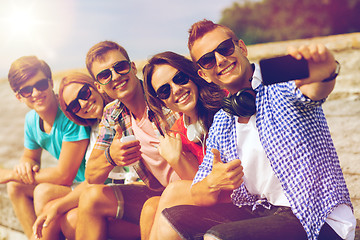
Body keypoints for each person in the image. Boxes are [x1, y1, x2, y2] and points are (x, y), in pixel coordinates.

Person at [159, 19, 356, 240]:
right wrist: (213, 182)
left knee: (217, 237)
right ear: (204, 74)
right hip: (264, 213)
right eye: (207, 60)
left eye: (224, 49)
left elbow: (315, 90)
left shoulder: (279, 86)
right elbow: (197, 193)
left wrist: (326, 71)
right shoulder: (223, 121)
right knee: (170, 218)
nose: (220, 60)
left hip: (317, 217)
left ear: (241, 48)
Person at [74, 40, 188, 240]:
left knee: (151, 209)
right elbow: (92, 176)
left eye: (120, 67)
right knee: (91, 198)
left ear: (133, 67)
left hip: (187, 188)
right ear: (99, 87)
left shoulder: (162, 93)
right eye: (104, 75)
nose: (115, 76)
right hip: (157, 190)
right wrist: (111, 156)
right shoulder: (113, 113)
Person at [32, 72, 139, 240]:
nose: (83, 104)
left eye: (84, 93)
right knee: (52, 208)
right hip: (116, 195)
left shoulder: (120, 114)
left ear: (95, 86)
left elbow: (86, 180)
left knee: (71, 219)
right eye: (74, 106)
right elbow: (92, 179)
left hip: (136, 196)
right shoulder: (97, 128)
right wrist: (57, 207)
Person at [140, 51, 226, 239]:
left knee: (173, 192)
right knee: (150, 207)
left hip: (240, 197)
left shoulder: (226, 102)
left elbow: (207, 192)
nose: (176, 89)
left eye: (180, 78)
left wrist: (177, 159)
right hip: (212, 197)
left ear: (192, 75)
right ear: (161, 100)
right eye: (165, 90)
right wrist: (176, 158)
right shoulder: (179, 132)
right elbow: (200, 188)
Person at [5, 56, 90, 238]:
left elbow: (64, 175)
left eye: (41, 84)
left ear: (51, 83)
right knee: (15, 186)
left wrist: (10, 173)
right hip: (73, 185)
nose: (36, 93)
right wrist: (24, 164)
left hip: (91, 183)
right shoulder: (32, 120)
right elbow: (31, 157)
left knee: (42, 191)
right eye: (27, 90)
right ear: (19, 96)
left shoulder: (69, 112)